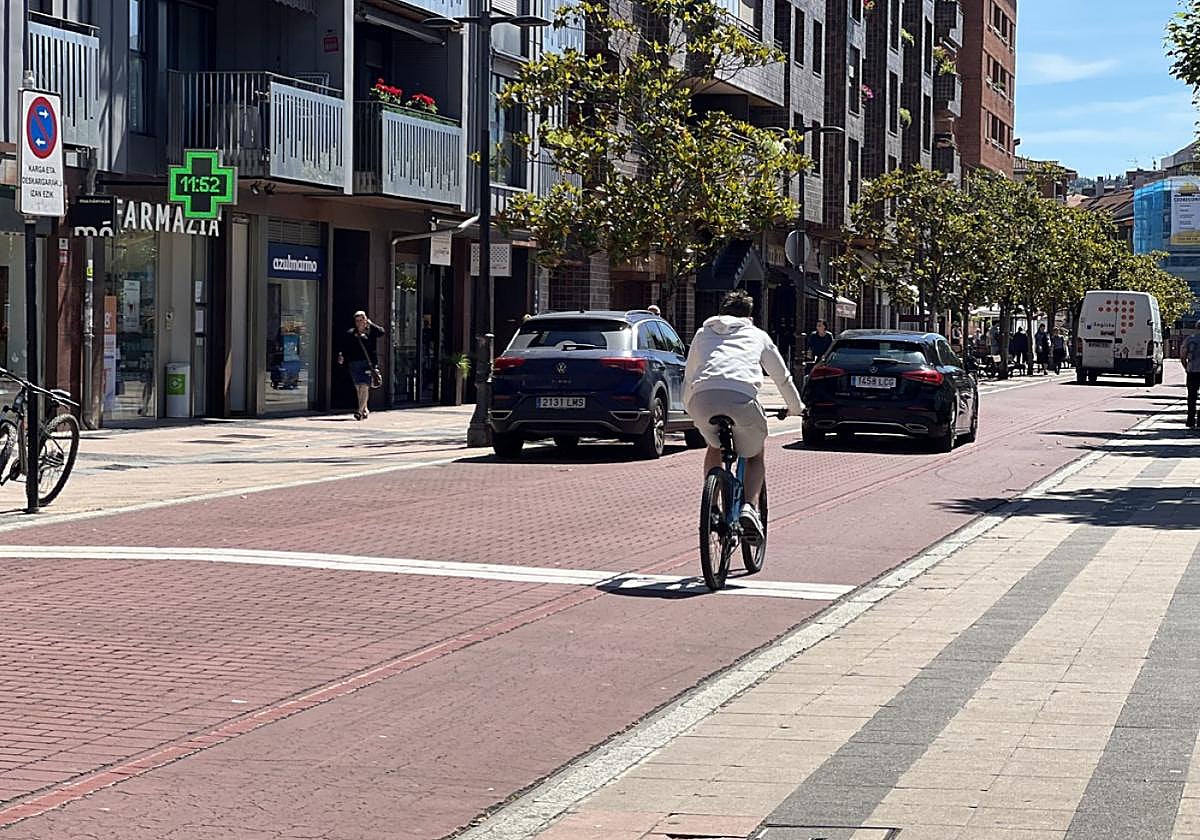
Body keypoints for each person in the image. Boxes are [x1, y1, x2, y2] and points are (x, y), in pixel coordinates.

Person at [683, 290, 805, 543]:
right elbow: (782, 377)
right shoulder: (758, 335)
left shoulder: (702, 332)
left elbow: (689, 374)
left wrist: (688, 407)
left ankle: (713, 506)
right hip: (741, 399)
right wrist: (796, 407)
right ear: (750, 315)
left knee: (714, 445)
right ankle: (749, 506)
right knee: (755, 454)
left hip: (703, 399)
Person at [337, 310, 384, 421]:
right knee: (359, 388)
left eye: (361, 320)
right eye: (357, 321)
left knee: (364, 386)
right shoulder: (351, 333)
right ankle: (364, 409)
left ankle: (359, 411)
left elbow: (382, 332)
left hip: (368, 363)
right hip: (354, 364)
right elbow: (344, 346)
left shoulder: (371, 331)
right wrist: (341, 355)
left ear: (365, 320)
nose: (359, 323)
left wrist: (371, 324)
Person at [1181, 331, 1200, 428]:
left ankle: (1190, 420)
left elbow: (1183, 356)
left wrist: (1186, 367)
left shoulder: (1190, 339)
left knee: (1192, 396)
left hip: (1192, 370)